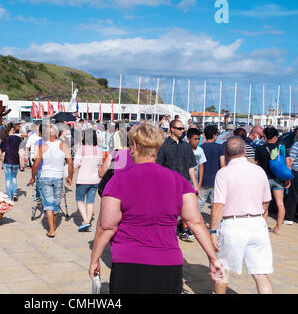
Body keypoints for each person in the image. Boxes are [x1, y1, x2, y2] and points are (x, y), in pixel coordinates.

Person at [89, 123, 224, 294]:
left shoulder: (119, 180)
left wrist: (95, 259)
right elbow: (195, 222)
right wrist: (213, 258)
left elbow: (107, 226)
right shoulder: (178, 180)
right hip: (167, 262)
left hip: (128, 261)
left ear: (134, 146)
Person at [210, 136, 274, 294]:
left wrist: (212, 231)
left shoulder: (224, 173)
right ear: (245, 151)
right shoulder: (259, 171)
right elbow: (266, 202)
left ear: (226, 153)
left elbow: (218, 205)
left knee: (222, 269)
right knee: (260, 273)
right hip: (257, 223)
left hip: (233, 224)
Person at [156, 119, 198, 241]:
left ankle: (183, 230)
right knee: (169, 210)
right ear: (172, 129)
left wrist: (195, 185)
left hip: (184, 184)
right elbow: (159, 167)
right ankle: (168, 232)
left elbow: (191, 166)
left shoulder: (186, 146)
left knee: (185, 210)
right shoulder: (164, 147)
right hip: (167, 185)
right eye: (179, 128)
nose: (182, 131)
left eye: (183, 128)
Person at [30, 123, 73, 238]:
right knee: (56, 203)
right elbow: (70, 162)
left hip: (45, 177)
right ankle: (53, 225)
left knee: (48, 203)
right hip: (58, 177)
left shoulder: (43, 146)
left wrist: (33, 177)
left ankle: (51, 229)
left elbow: (35, 165)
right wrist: (70, 177)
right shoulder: (63, 145)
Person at [255, 127, 290, 235]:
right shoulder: (281, 148)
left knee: (265, 204)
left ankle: (263, 226)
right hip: (279, 179)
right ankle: (278, 228)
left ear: (264, 136)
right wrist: (288, 178)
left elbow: (256, 164)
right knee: (280, 204)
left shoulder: (260, 148)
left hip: (265, 179)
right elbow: (287, 163)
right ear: (276, 137)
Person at [74, 128, 102, 232]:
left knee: (79, 200)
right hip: (95, 180)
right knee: (90, 202)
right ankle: (88, 222)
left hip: (82, 179)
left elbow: (76, 164)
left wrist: (70, 175)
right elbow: (100, 165)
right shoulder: (98, 149)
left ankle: (86, 221)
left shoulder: (81, 148)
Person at [198, 126, 226, 212]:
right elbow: (222, 164)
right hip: (216, 180)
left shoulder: (201, 148)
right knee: (216, 204)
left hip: (203, 180)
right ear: (214, 135)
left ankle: (193, 222)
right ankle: (215, 224)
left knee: (199, 203)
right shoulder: (220, 147)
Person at [0, 123, 22, 201]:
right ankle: (15, 194)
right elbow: (20, 151)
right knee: (14, 178)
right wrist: (21, 162)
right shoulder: (18, 139)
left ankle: (9, 196)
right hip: (16, 161)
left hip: (7, 160)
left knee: (8, 179)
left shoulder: (5, 139)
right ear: (13, 130)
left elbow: (1, 151)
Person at [187, 128, 207, 196]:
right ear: (188, 139)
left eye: (198, 139)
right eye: (195, 139)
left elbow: (201, 166)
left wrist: (199, 183)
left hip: (195, 182)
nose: (197, 141)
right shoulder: (184, 149)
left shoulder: (200, 150)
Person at [284, 128, 298, 224]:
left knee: (293, 195)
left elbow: (290, 161)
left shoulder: (296, 146)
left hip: (296, 172)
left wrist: (288, 176)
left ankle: (289, 218)